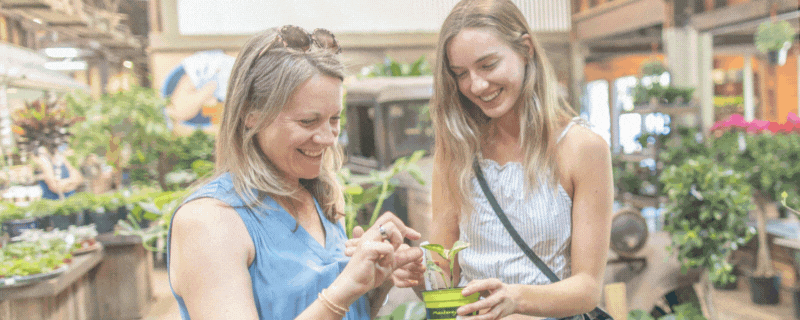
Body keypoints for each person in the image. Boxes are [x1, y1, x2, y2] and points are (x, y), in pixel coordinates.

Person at [167, 26, 424, 320]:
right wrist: (343, 290)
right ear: (250, 115)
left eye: (334, 119)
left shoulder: (320, 196)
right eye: (307, 121)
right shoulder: (209, 221)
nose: (328, 138)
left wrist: (377, 280)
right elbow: (334, 301)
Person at [422, 0, 614, 319]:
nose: (476, 85)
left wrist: (515, 298)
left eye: (488, 65)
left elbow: (587, 289)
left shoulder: (582, 149)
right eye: (460, 74)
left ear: (526, 49)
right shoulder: (456, 147)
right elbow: (443, 274)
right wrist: (418, 275)